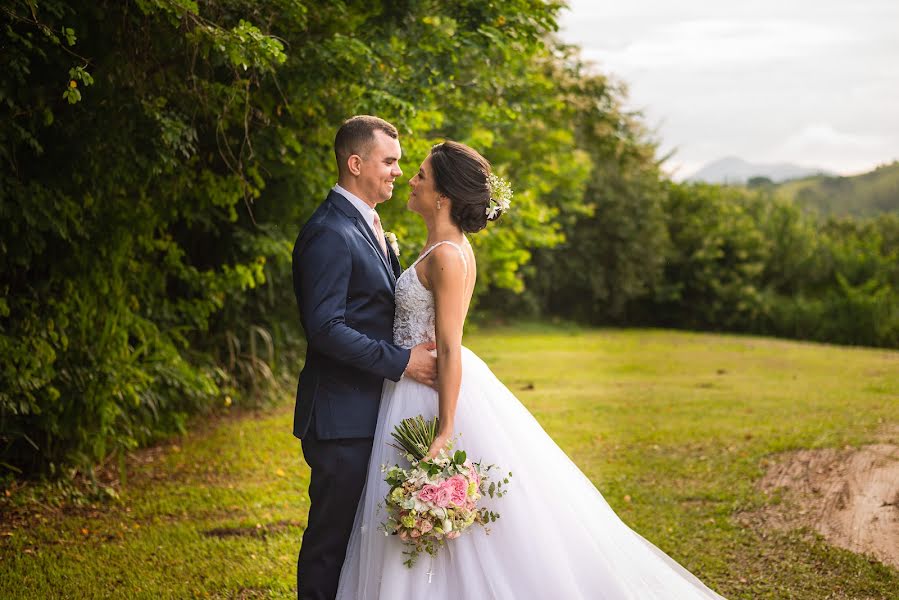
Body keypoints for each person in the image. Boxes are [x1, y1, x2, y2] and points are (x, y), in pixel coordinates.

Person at [335, 141, 726, 599]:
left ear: (443, 196)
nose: (411, 179)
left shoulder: (446, 254)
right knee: (423, 525)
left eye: (421, 174)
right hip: (409, 384)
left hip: (427, 392)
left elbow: (450, 347)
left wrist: (445, 430)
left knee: (443, 521)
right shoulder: (442, 245)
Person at [291, 115, 438, 600]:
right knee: (330, 543)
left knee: (360, 542)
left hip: (367, 411)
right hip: (339, 419)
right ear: (356, 163)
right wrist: (403, 362)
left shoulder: (368, 224)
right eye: (390, 161)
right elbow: (326, 329)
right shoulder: (330, 231)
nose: (398, 171)